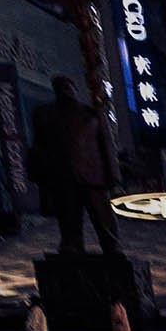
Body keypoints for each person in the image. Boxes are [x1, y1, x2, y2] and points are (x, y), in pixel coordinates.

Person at [28, 77, 123, 257]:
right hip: (63, 177)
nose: (65, 90)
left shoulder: (92, 114)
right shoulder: (45, 114)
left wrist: (114, 176)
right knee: (69, 220)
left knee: (103, 218)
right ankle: (72, 247)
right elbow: (39, 146)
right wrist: (39, 175)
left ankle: (112, 245)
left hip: (93, 177)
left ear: (74, 89)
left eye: (67, 86)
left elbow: (107, 147)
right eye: (60, 87)